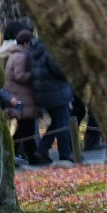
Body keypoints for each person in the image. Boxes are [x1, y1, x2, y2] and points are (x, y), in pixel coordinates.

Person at [28, 34, 78, 164]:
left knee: (56, 122)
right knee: (63, 124)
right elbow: (59, 71)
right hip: (57, 92)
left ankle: (42, 149)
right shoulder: (50, 52)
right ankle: (65, 154)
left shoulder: (35, 51)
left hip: (43, 93)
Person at [0, 27, 43, 165]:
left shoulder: (15, 54)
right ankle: (32, 157)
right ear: (26, 42)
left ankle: (14, 153)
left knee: (23, 128)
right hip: (23, 97)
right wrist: (34, 74)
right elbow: (19, 75)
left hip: (21, 96)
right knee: (27, 128)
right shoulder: (21, 56)